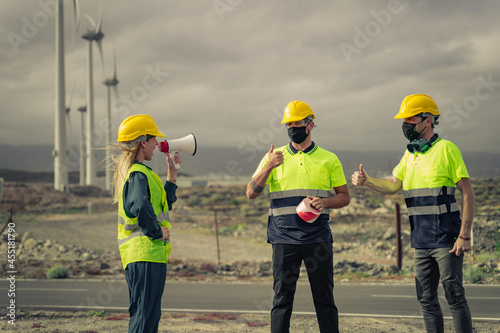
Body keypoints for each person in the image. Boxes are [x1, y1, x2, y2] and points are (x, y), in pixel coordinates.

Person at [352, 94, 474, 333]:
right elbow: (393, 185)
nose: (405, 124)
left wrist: (465, 235)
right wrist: (367, 182)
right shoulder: (410, 154)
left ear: (427, 120)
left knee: (454, 296)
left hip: (447, 239)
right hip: (421, 241)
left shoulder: (447, 149)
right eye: (404, 119)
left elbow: (468, 193)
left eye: (410, 118)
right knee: (426, 300)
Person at [246, 100, 350, 333]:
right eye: (289, 124)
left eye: (298, 123)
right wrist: (268, 167)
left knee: (324, 300)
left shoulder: (329, 158)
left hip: (318, 239)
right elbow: (251, 193)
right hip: (283, 239)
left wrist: (325, 202)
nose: (293, 128)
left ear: (310, 125)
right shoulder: (274, 156)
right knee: (281, 301)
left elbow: (344, 197)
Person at [112, 114, 180, 333]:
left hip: (144, 255)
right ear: (143, 142)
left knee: (147, 314)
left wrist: (172, 176)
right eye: (153, 140)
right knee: (145, 316)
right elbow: (141, 206)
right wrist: (157, 232)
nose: (156, 144)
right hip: (145, 253)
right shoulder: (138, 173)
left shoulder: (138, 173)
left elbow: (161, 204)